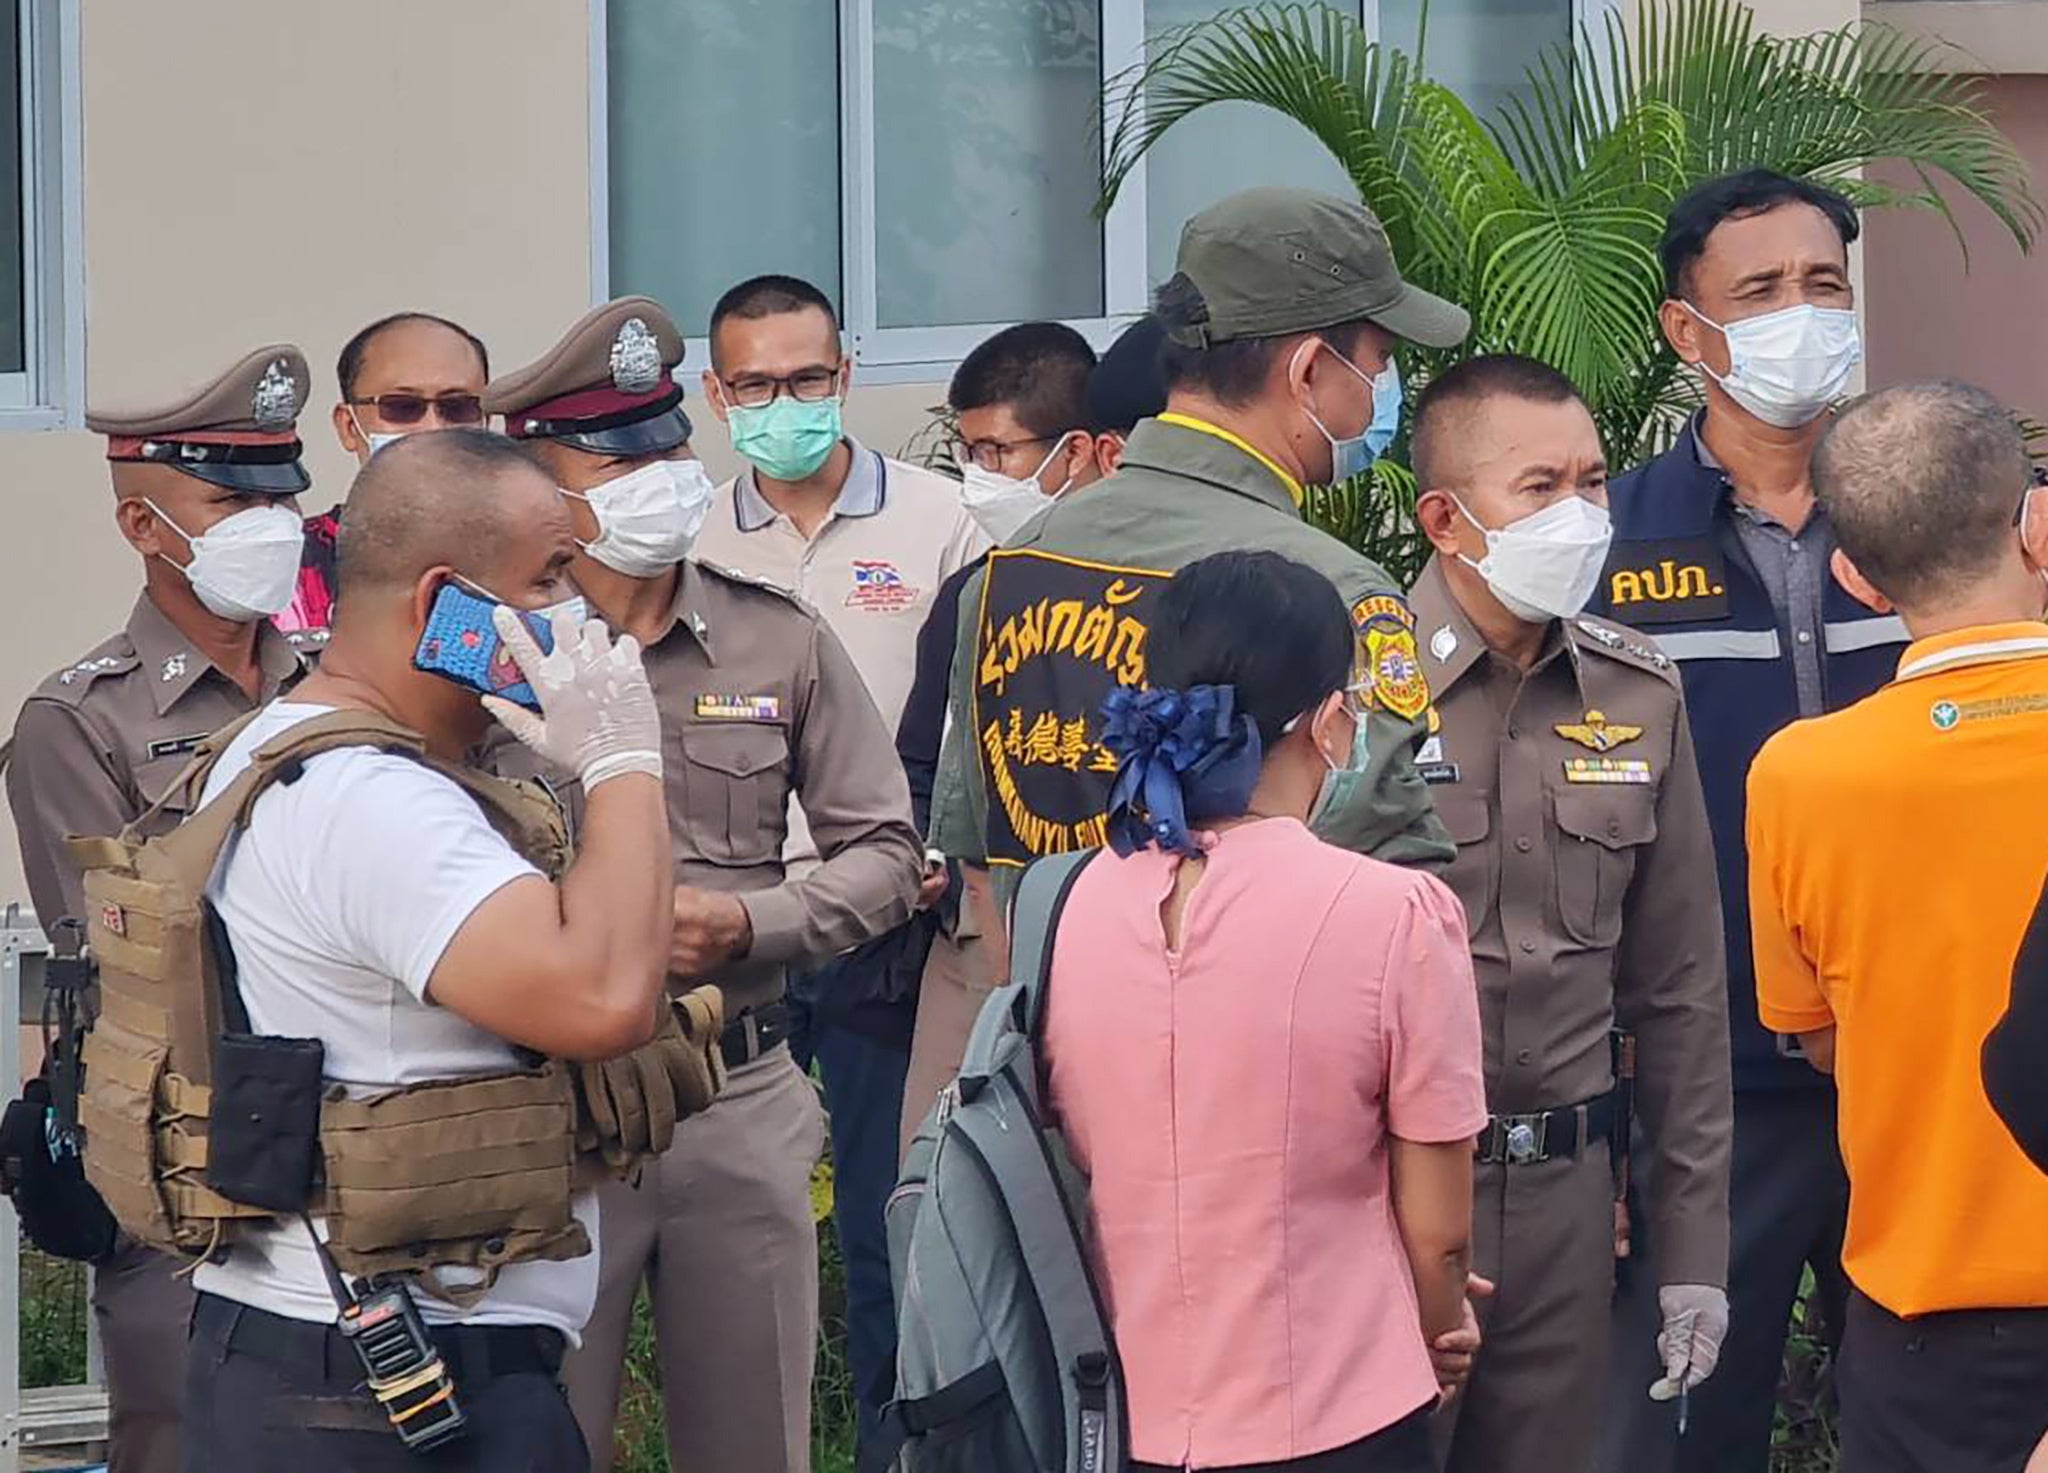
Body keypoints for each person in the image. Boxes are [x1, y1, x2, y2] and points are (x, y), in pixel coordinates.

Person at [176, 427, 675, 1470]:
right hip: (400, 1384)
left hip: (308, 1352)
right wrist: (623, 759)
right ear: (441, 599)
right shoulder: (374, 801)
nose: (572, 610)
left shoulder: (281, 745)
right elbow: (603, 1000)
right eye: (548, 578)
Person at [485, 295, 925, 1473]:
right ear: (543, 486)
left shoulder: (773, 637)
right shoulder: (487, 658)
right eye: (616, 457)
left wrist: (751, 922)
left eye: (668, 447)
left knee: (755, 1445)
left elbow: (885, 852)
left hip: (736, 1094)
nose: (659, 478)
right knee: (541, 1444)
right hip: (545, 1111)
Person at [1040, 549, 1488, 1473]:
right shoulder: (1395, 912)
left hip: (1122, 1409)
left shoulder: (1069, 900)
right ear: (1329, 723)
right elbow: (1440, 1232)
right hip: (1339, 1408)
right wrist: (1443, 1328)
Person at [1588, 169, 1905, 1473]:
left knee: (1946, 1424)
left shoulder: (1939, 523)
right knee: (1679, 1434)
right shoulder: (1605, 545)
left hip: (1922, 1071)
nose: (1802, 314)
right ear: (1686, 331)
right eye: (1760, 290)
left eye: (1823, 285)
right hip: (1706, 1088)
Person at [927, 185, 1465, 939]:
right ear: (1309, 370)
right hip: (1264, 1040)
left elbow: (980, 871)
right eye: (1381, 361)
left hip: (1059, 1033)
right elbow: (1389, 882)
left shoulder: (1008, 568)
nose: (1384, 390)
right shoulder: (1329, 590)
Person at [1404, 356, 1732, 1473]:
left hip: (1569, 1205)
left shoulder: (1637, 690)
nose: (1581, 516)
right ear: (1444, 519)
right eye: (1538, 488)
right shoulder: (1354, 690)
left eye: (1592, 483)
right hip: (1388, 1198)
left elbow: (1680, 991)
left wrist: (1693, 1248)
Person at [688, 271, 988, 1456]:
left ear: (845, 376)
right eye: (755, 384)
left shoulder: (942, 523)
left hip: (882, 924)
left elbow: (979, 715)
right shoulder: (690, 537)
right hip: (723, 934)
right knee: (719, 1229)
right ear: (716, 395)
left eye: (807, 379)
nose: (785, 403)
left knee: (883, 1232)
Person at [4, 344, 314, 1473]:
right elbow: (130, 944)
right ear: (145, 526)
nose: (268, 523)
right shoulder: (76, 721)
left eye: (282, 495)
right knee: (182, 1431)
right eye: (230, 500)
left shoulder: (338, 684)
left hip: (359, 1133)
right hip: (187, 1147)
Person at [1747, 380, 2048, 1471]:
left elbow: (1819, 1039)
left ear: (1853, 579)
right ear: (2038, 528)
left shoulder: (1799, 775)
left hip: (1926, 1326)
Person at [894, 316, 1166, 1150]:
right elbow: (921, 753)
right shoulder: (977, 590)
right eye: (968, 453)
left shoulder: (1164, 589)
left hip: (1134, 933)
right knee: (943, 1175)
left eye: (999, 453)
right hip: (983, 934)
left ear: (1083, 452)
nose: (980, 479)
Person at [276, 311, 490, 652]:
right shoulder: (284, 568)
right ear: (348, 427)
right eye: (402, 407)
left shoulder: (527, 561)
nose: (432, 428)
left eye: (457, 407)